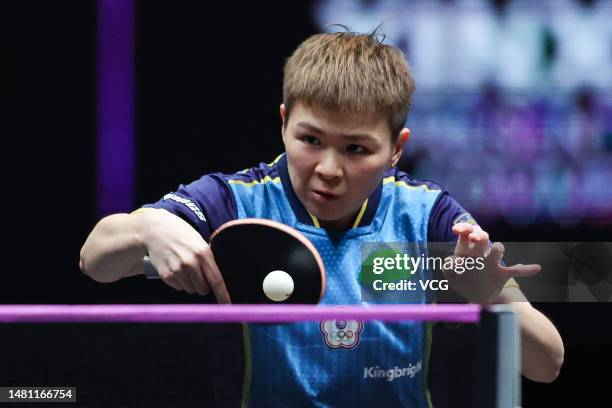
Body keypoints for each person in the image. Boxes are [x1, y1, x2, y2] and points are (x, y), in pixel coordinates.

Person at [80, 30, 564, 407]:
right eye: (310, 140)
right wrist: (148, 226)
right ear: (284, 122)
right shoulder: (234, 202)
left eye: (356, 149)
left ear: (396, 149)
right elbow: (96, 260)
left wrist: (489, 301)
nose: (328, 170)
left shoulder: (429, 217)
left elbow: (548, 363)